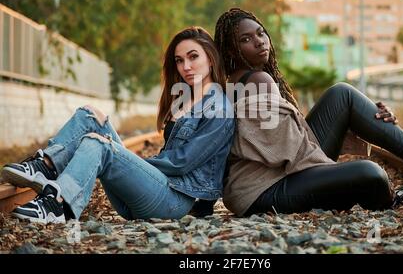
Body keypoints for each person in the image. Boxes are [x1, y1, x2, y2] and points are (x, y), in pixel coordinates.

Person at [211, 7, 403, 217]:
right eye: (246, 39)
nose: (259, 41)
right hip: (264, 190)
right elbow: (284, 150)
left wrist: (368, 120)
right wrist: (353, 132)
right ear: (231, 51)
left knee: (341, 95)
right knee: (371, 173)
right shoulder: (258, 80)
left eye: (261, 33)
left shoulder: (241, 81)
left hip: (274, 176)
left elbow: (281, 139)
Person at [1, 26, 235, 224]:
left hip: (172, 202)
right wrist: (126, 161)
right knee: (90, 116)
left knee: (99, 144)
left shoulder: (219, 109)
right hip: (147, 196)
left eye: (193, 57)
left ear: (210, 58)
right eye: (179, 60)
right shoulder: (186, 98)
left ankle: (58, 206)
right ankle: (47, 165)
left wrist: (128, 160)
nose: (186, 67)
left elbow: (181, 162)